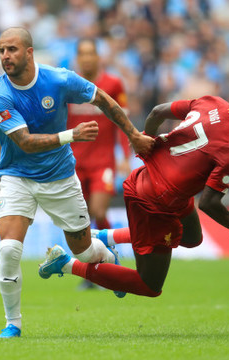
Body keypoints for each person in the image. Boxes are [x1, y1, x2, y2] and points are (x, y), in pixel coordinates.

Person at [39, 73, 229, 300]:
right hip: (154, 201)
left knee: (191, 237)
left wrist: (145, 140)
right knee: (149, 285)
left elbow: (156, 112)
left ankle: (104, 237)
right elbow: (209, 203)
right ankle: (65, 264)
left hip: (158, 183)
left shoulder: (212, 102)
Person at [0, 27, 154, 339]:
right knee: (9, 248)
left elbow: (102, 97)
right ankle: (13, 324)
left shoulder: (58, 79)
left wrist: (132, 134)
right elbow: (24, 142)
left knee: (85, 250)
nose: (6, 56)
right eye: (2, 51)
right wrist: (71, 135)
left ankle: (106, 254)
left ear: (29, 52)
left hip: (60, 177)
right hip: (16, 176)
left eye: (12, 50)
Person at [67, 38, 132, 291]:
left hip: (103, 161)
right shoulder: (69, 83)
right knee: (81, 219)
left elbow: (121, 120)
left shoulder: (113, 84)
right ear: (77, 58)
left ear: (98, 57)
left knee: (98, 210)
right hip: (73, 162)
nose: (86, 58)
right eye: (82, 53)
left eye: (90, 53)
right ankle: (92, 273)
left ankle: (112, 262)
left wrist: (125, 157)